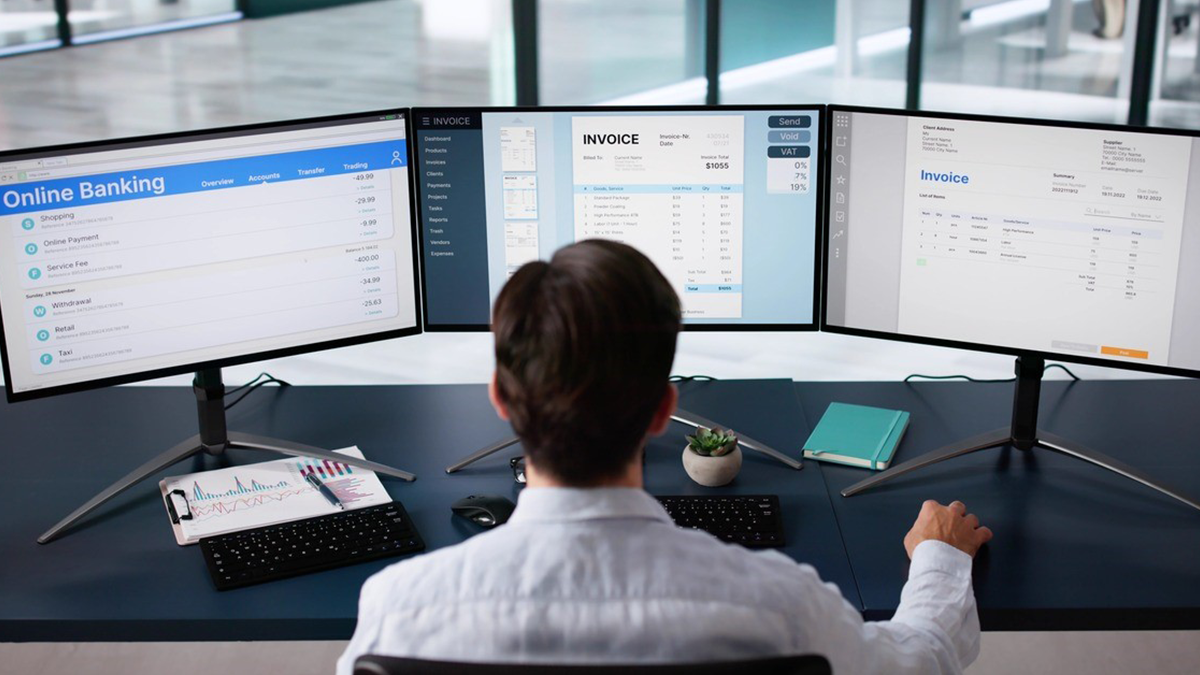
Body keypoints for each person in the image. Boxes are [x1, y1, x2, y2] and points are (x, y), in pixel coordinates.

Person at [337, 240, 993, 675]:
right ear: (663, 410)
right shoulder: (781, 608)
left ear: (501, 400)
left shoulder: (398, 612)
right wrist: (940, 557)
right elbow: (922, 659)